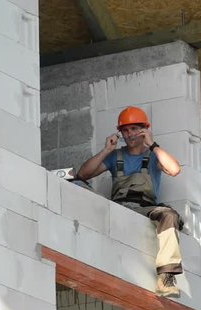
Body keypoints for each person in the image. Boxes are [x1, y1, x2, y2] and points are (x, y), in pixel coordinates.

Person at [76, 106, 183, 298]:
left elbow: (174, 170)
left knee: (169, 215)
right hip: (118, 208)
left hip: (145, 208)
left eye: (134, 129)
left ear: (144, 130)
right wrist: (106, 150)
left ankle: (166, 277)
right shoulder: (115, 156)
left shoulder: (152, 155)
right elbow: (83, 174)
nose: (129, 134)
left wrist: (153, 145)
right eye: (125, 130)